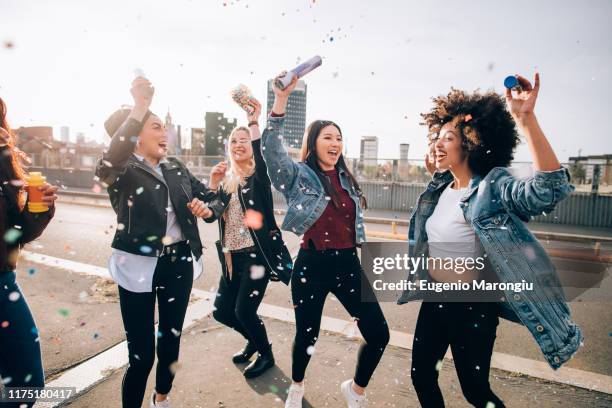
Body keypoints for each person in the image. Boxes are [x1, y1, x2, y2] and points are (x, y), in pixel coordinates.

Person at [397, 73, 582, 407]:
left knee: (475, 392)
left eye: (448, 137)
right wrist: (439, 161)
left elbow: (547, 191)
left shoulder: (492, 187)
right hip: (435, 299)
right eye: (437, 135)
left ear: (470, 141)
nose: (438, 142)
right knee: (422, 376)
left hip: (472, 306)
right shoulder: (439, 190)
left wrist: (526, 120)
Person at [261, 74, 390, 408]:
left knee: (379, 334)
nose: (335, 143)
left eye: (339, 138)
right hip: (312, 265)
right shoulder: (298, 175)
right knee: (307, 334)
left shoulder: (346, 178)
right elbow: (272, 152)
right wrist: (280, 102)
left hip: (347, 264)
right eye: (328, 137)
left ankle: (355, 389)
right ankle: (297, 388)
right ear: (314, 142)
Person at [96, 77, 220, 408]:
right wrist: (138, 106)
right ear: (135, 135)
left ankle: (161, 398)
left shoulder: (176, 168)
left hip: (177, 263)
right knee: (141, 357)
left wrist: (208, 208)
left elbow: (213, 198)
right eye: (156, 126)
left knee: (170, 345)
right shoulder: (122, 171)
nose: (164, 133)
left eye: (164, 126)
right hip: (136, 265)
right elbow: (106, 166)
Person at [206, 96, 292, 379]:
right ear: (229, 148)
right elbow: (213, 213)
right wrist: (213, 185)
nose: (239, 144)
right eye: (233, 141)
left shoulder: (259, 177)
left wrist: (253, 121)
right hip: (231, 258)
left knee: (244, 311)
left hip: (257, 258)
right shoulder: (227, 181)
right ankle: (255, 342)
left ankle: (265, 353)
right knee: (222, 312)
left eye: (243, 140)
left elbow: (259, 147)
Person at [0, 97, 58, 408]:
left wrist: (41, 209)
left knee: (28, 385)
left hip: (3, 283)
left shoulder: (2, 160)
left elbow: (17, 235)